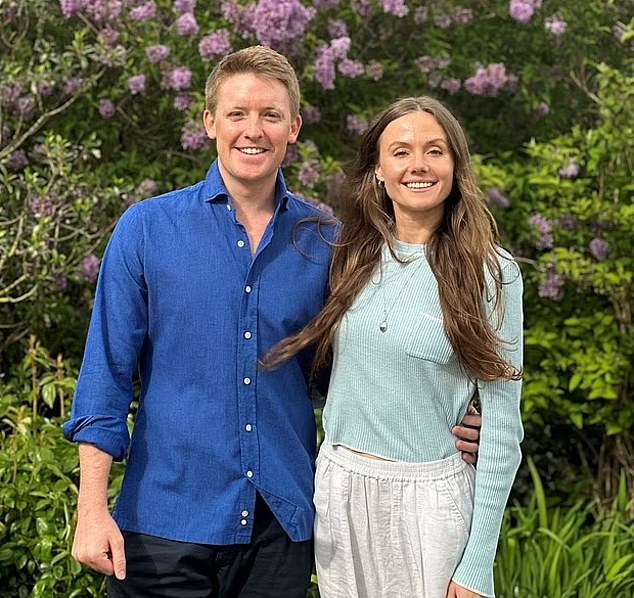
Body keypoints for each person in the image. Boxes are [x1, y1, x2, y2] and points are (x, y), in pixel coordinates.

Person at [64, 46, 481, 598]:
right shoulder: (146, 230)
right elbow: (106, 378)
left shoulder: (328, 239)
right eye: (237, 113)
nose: (252, 130)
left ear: (294, 128)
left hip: (279, 529)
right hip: (163, 523)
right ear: (210, 121)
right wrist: (90, 510)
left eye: (270, 115)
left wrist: (453, 415)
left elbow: (364, 362)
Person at [264, 96, 524, 598]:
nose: (418, 165)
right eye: (400, 151)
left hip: (431, 505)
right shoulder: (345, 259)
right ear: (379, 171)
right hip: (340, 493)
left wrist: (476, 565)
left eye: (435, 150)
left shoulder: (492, 274)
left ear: (455, 166)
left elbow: (502, 432)